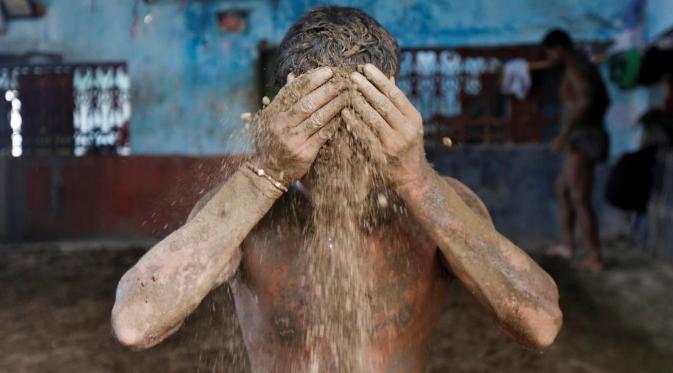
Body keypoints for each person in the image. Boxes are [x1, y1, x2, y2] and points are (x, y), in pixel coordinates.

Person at [111, 7, 562, 372]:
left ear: (390, 111)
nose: (338, 149)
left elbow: (538, 324)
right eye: (319, 126)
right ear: (286, 113)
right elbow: (136, 322)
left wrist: (415, 179)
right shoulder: (247, 212)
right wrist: (265, 174)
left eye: (356, 123)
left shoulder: (437, 204)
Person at [543, 29, 611, 272]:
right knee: (563, 190)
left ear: (558, 48)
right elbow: (602, 101)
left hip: (584, 139)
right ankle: (568, 244)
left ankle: (595, 257)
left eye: (549, 51)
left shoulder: (577, 67)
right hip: (582, 137)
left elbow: (587, 100)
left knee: (579, 197)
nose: (549, 57)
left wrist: (565, 134)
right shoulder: (581, 66)